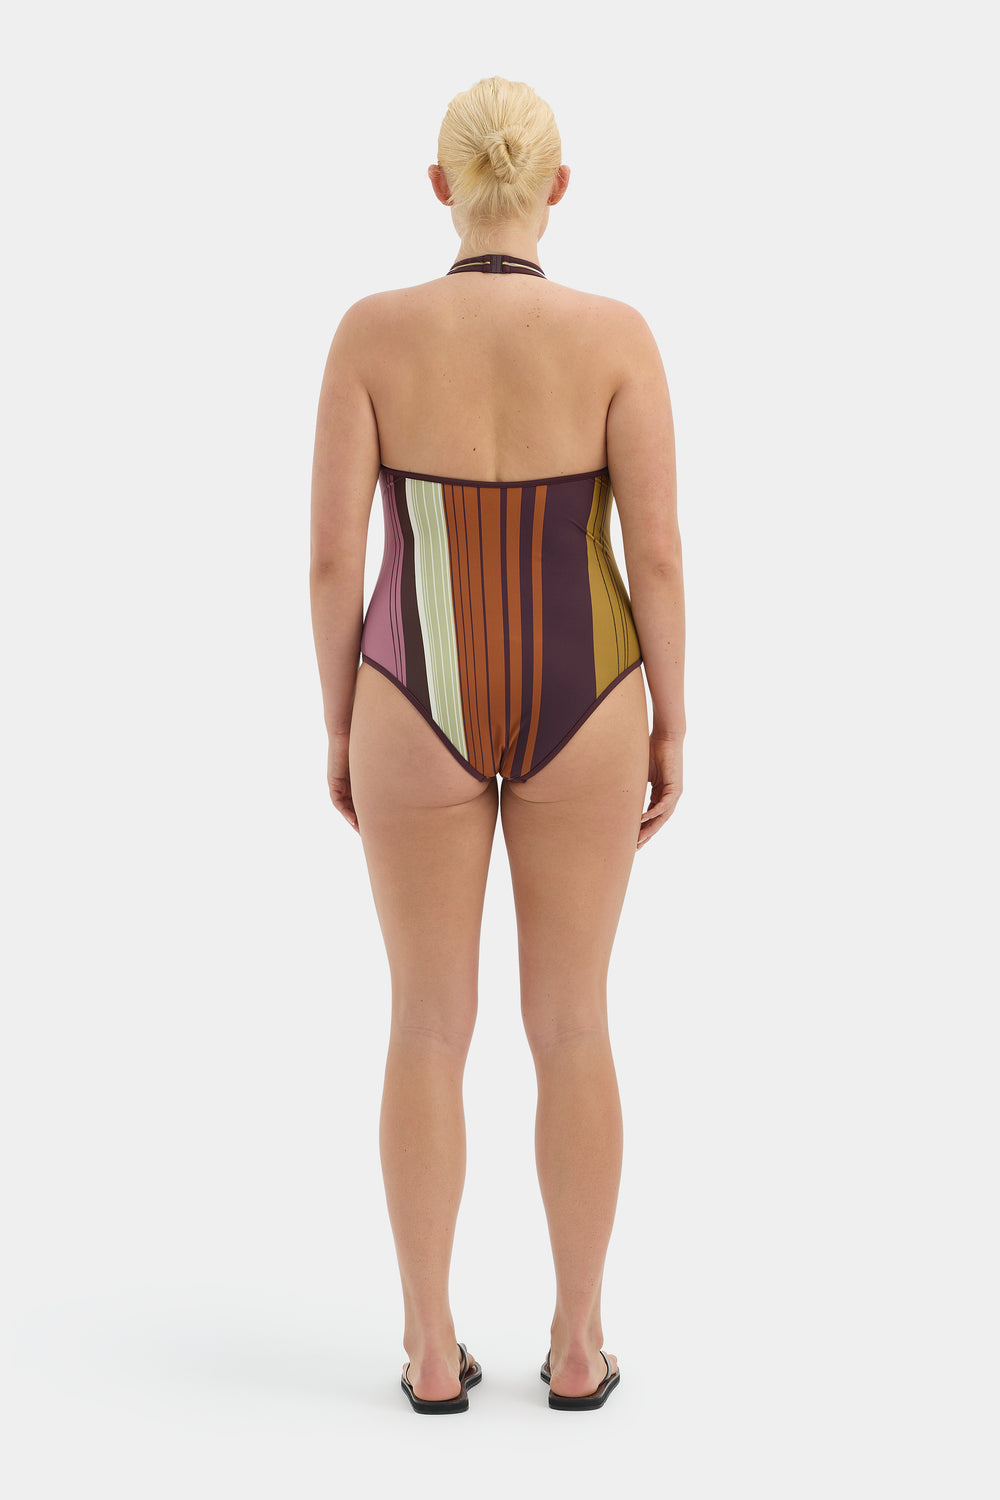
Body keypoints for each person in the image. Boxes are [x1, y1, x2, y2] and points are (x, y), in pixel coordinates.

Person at [309, 75, 685, 1413]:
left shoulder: (372, 334)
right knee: (573, 1024)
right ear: (557, 189)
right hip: (591, 695)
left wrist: (342, 721)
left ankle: (429, 1350)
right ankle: (578, 1347)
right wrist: (674, 718)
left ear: (440, 186)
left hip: (412, 692)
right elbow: (655, 555)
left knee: (427, 1022)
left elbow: (330, 561)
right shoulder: (616, 338)